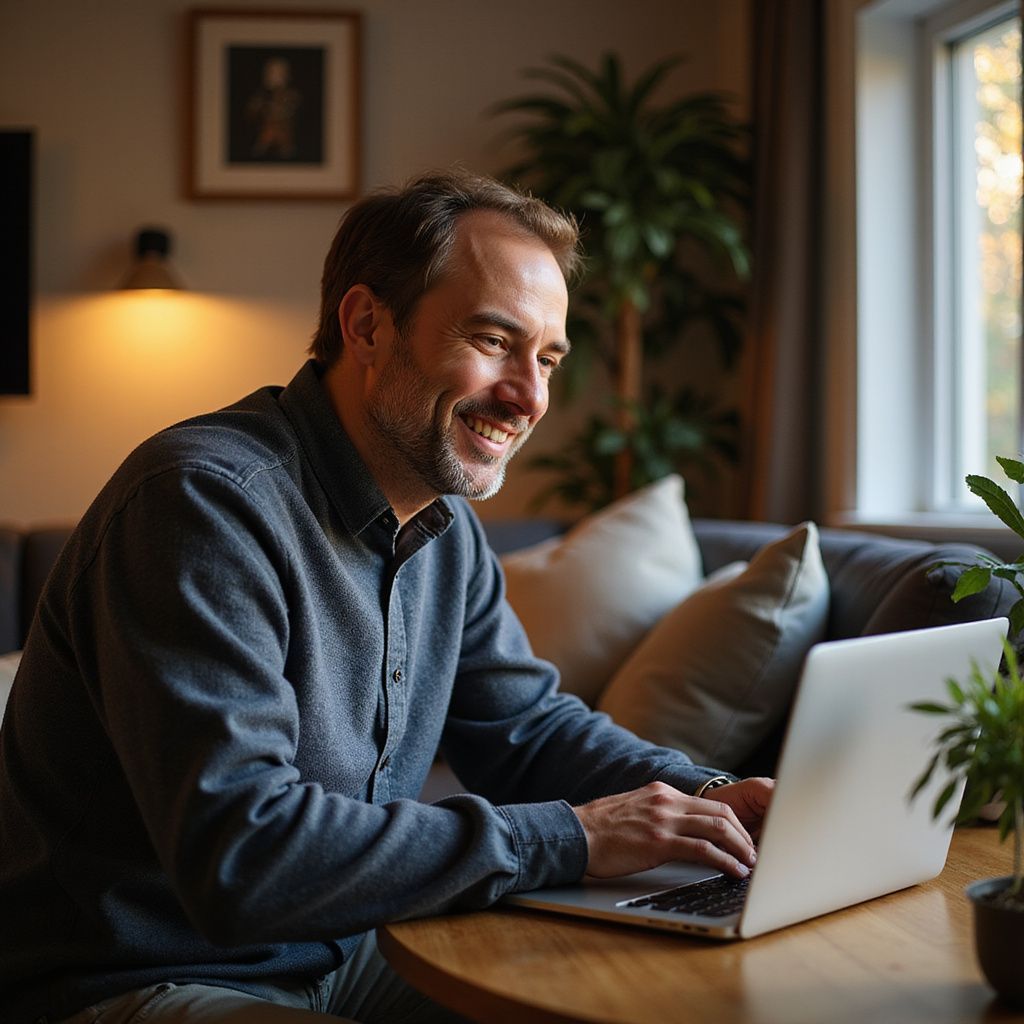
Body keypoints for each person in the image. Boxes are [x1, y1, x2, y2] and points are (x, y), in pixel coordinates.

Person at [0, 171, 773, 1023]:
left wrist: (705, 796)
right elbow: (244, 858)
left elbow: (525, 730)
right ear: (366, 325)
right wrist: (576, 837)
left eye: (546, 357)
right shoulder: (201, 505)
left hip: (357, 945)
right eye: (492, 340)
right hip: (144, 978)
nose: (530, 396)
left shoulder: (443, 523)